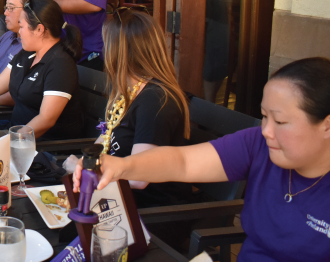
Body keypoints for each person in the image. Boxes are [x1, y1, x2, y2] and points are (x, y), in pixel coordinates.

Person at [75, 57, 330, 262]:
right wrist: (122, 166)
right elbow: (182, 162)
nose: (267, 130)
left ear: (327, 125)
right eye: (264, 116)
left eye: (281, 121)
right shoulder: (258, 145)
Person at [98, 8, 192, 207]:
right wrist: (83, 163)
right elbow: (103, 142)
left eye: (106, 45)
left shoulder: (155, 101)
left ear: (119, 53)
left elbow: (139, 178)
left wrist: (91, 172)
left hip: (150, 211)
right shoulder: (129, 91)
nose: (102, 51)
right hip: (117, 197)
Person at [0, 0, 83, 140]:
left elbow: (46, 119)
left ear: (39, 29)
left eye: (22, 26)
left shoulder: (60, 64)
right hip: (14, 132)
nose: (19, 32)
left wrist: (8, 140)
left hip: (44, 146)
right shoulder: (26, 54)